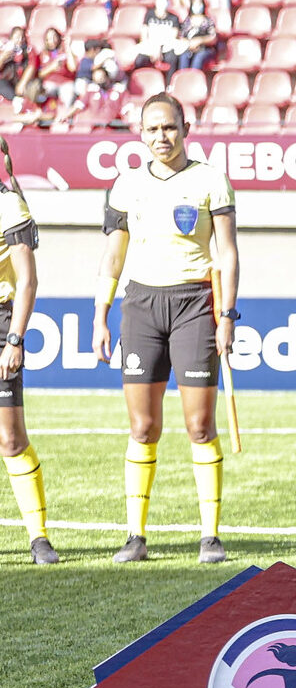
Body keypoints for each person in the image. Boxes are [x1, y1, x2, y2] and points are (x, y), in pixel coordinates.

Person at [91, 95, 240, 565]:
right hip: (140, 305)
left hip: (196, 304)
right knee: (143, 426)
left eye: (169, 128)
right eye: (152, 129)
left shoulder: (211, 180)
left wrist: (227, 315)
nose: (161, 137)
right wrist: (101, 313)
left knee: (199, 425)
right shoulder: (126, 185)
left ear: (186, 127)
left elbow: (229, 252)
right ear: (140, 133)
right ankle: (135, 535)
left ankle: (210, 536)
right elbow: (113, 257)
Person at [0, 157, 57, 563]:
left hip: (2, 322)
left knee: (10, 438)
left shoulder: (9, 206)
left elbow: (27, 281)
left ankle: (39, 538)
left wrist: (14, 339)